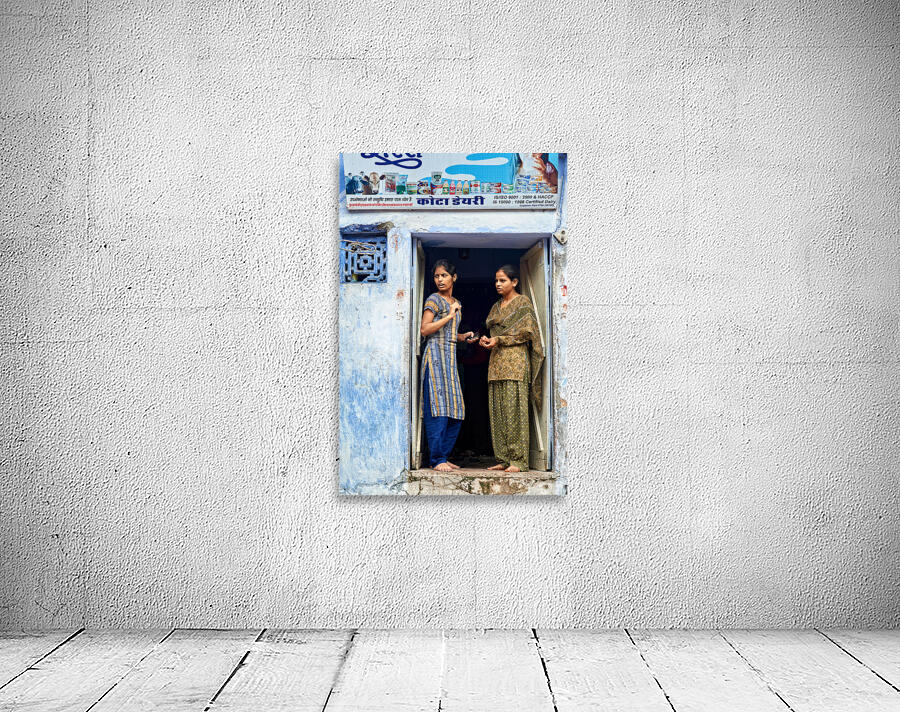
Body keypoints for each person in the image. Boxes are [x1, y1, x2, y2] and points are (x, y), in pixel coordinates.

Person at [479, 264, 544, 473]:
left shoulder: (523, 303)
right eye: (496, 280)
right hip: (496, 363)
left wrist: (499, 339)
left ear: (514, 282)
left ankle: (519, 460)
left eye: (502, 280)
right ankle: (504, 458)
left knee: (514, 411)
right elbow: (493, 331)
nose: (498, 284)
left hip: (515, 363)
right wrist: (487, 340)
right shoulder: (496, 307)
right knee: (497, 410)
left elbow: (527, 334)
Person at [420, 260, 476, 472]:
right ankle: (436, 459)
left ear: (454, 277)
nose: (440, 280)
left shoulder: (455, 301)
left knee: (456, 410)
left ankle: (443, 455)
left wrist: (463, 337)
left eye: (444, 275)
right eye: (436, 276)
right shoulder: (434, 300)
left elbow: (449, 332)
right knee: (438, 408)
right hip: (434, 358)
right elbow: (425, 329)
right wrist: (450, 315)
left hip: (450, 359)